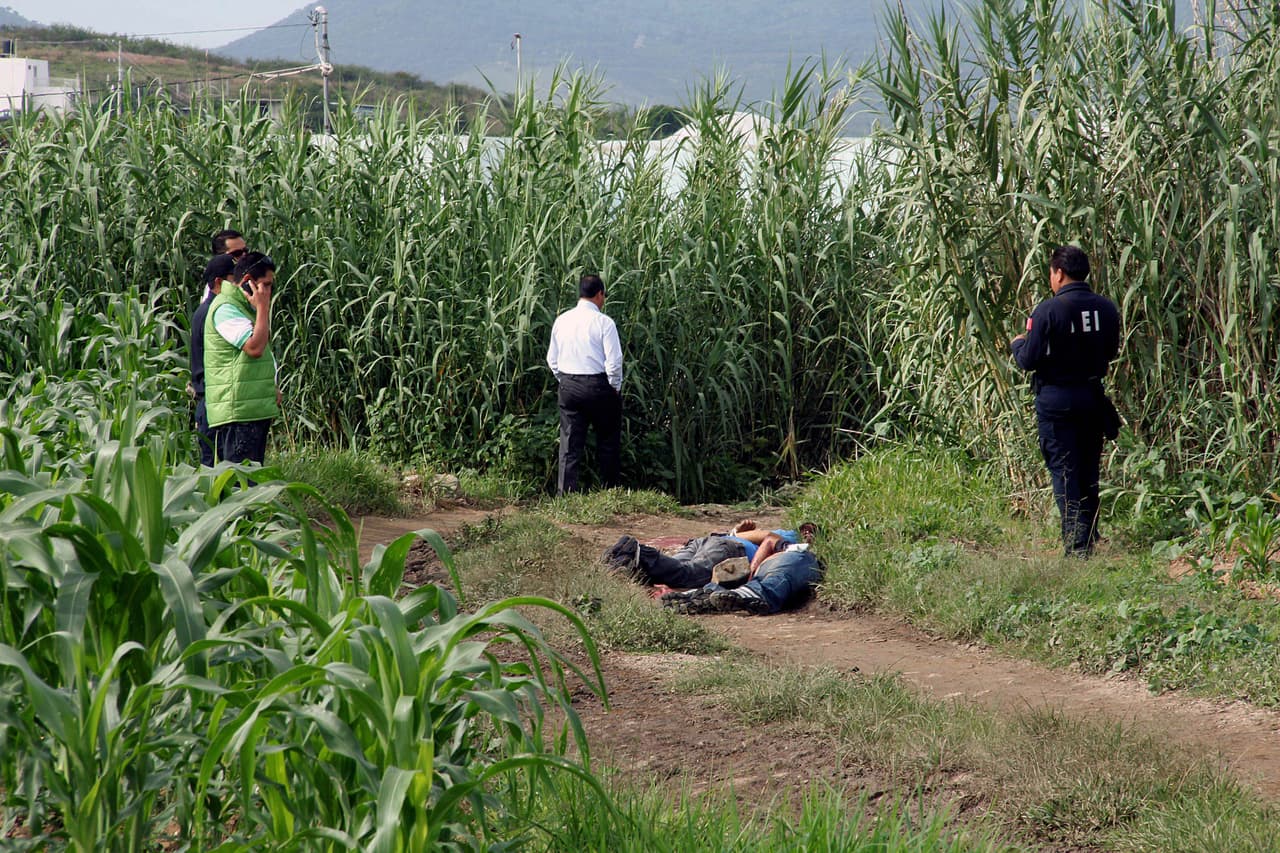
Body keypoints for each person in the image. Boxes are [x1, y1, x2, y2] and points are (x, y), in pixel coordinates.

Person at [1011, 245, 1121, 557]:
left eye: (1051, 273)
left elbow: (1029, 360)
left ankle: (1077, 547)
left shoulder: (1047, 311)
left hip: (1057, 400)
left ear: (1059, 273)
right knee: (1088, 470)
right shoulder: (1106, 309)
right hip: (1091, 397)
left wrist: (1017, 344)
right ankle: (1090, 536)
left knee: (1064, 471)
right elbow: (1111, 352)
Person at [546, 273, 623, 494]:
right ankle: (610, 492)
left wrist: (565, 380)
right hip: (599, 385)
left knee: (569, 444)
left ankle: (565, 495)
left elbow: (552, 359)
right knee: (608, 441)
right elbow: (614, 362)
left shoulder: (562, 320)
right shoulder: (604, 323)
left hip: (569, 384)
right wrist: (614, 387)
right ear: (599, 294)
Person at [204, 251, 280, 464]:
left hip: (250, 409)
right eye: (266, 284)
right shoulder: (226, 308)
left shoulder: (242, 307)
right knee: (242, 487)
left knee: (253, 483)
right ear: (248, 282)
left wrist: (269, 387)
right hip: (239, 413)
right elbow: (254, 348)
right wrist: (263, 307)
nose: (269, 291)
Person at [661, 523, 823, 615]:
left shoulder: (802, 550)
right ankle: (707, 594)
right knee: (680, 570)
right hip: (744, 558)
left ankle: (710, 594)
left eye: (811, 532)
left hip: (752, 561)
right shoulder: (789, 537)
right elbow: (768, 539)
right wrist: (736, 533)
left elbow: (768, 540)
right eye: (806, 531)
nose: (808, 534)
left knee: (786, 568)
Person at [603, 521, 809, 590]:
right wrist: (752, 574)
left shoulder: (783, 534)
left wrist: (736, 532)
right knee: (687, 575)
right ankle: (637, 551)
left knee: (673, 569)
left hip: (709, 542)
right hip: (728, 551)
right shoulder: (792, 539)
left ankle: (625, 557)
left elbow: (733, 536)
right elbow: (769, 538)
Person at [190, 253, 237, 466]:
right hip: (213, 401)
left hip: (209, 401)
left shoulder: (207, 310)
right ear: (219, 282)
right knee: (215, 471)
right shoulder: (216, 312)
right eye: (233, 279)